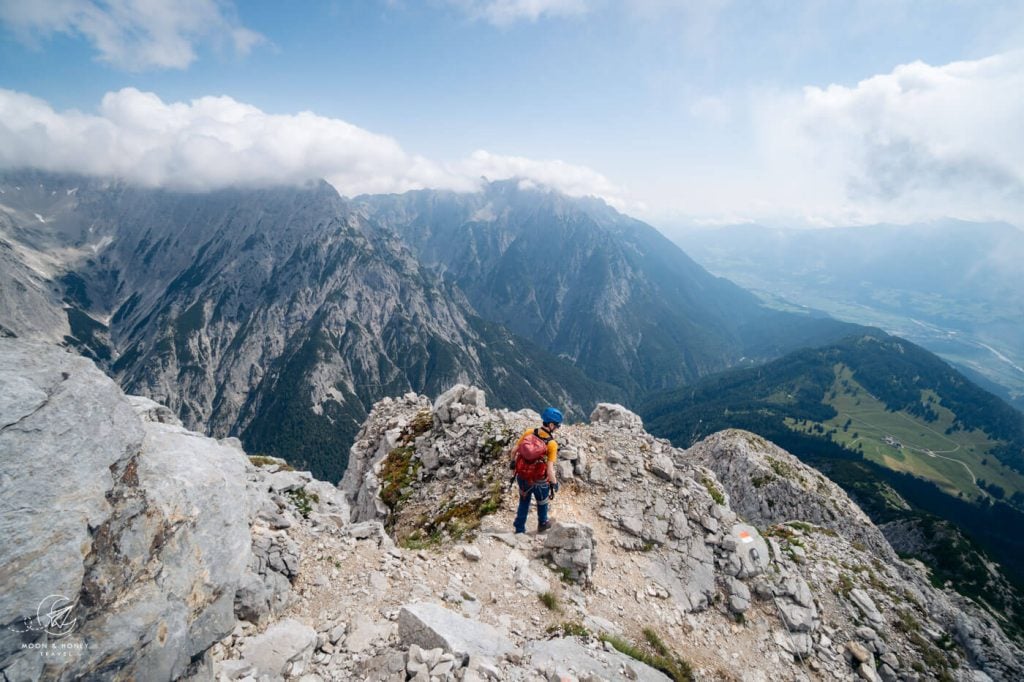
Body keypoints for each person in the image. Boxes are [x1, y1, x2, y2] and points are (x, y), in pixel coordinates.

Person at [509, 406, 562, 534]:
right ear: (550, 424)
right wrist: (554, 483)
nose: (557, 428)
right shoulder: (552, 444)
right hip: (540, 481)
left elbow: (514, 451)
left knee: (523, 502)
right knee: (542, 503)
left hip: (522, 476)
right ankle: (543, 523)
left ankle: (519, 528)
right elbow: (549, 470)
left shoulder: (529, 432)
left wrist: (513, 464)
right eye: (557, 425)